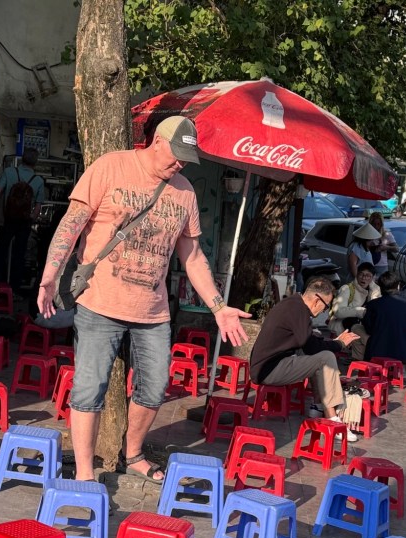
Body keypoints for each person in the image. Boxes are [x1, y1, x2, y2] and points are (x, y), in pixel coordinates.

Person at [35, 116, 249, 484]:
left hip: (152, 311)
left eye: (186, 159)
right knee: (89, 388)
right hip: (99, 302)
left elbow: (192, 255)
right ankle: (85, 473)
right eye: (176, 155)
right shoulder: (111, 167)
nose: (179, 164)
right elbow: (72, 223)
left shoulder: (184, 192)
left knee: (154, 387)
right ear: (157, 142)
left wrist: (217, 306)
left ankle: (132, 454)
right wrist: (50, 277)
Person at [250, 276, 360, 440]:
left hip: (267, 366)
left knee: (318, 356)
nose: (324, 311)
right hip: (269, 369)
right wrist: (339, 344)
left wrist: (335, 342)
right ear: (317, 300)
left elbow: (309, 342)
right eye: (326, 306)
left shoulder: (293, 304)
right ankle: (333, 418)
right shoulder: (298, 310)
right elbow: (311, 346)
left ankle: (318, 406)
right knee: (326, 357)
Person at [0, 147, 46, 293]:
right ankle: (14, 289)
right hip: (24, 221)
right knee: (19, 254)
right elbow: (38, 205)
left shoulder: (9, 172)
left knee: (0, 251)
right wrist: (31, 219)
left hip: (8, 218)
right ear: (35, 162)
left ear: (22, 158)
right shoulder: (38, 180)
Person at [363, 272, 406, 363]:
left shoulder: (373, 305)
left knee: (357, 330)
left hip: (378, 351)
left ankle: (357, 361)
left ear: (380, 287)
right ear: (398, 286)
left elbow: (368, 329)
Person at [328, 262, 380, 361]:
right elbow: (338, 311)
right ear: (357, 274)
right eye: (361, 274)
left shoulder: (375, 290)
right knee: (369, 340)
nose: (364, 278)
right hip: (343, 324)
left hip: (362, 325)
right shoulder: (347, 289)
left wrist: (373, 293)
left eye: (368, 276)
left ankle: (363, 359)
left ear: (373, 277)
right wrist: (359, 312)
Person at [365, 212, 398, 277]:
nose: (376, 226)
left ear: (381, 224)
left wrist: (386, 247)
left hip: (382, 266)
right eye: (374, 224)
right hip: (368, 264)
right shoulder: (366, 234)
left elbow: (396, 249)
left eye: (378, 224)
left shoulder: (386, 234)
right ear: (370, 224)